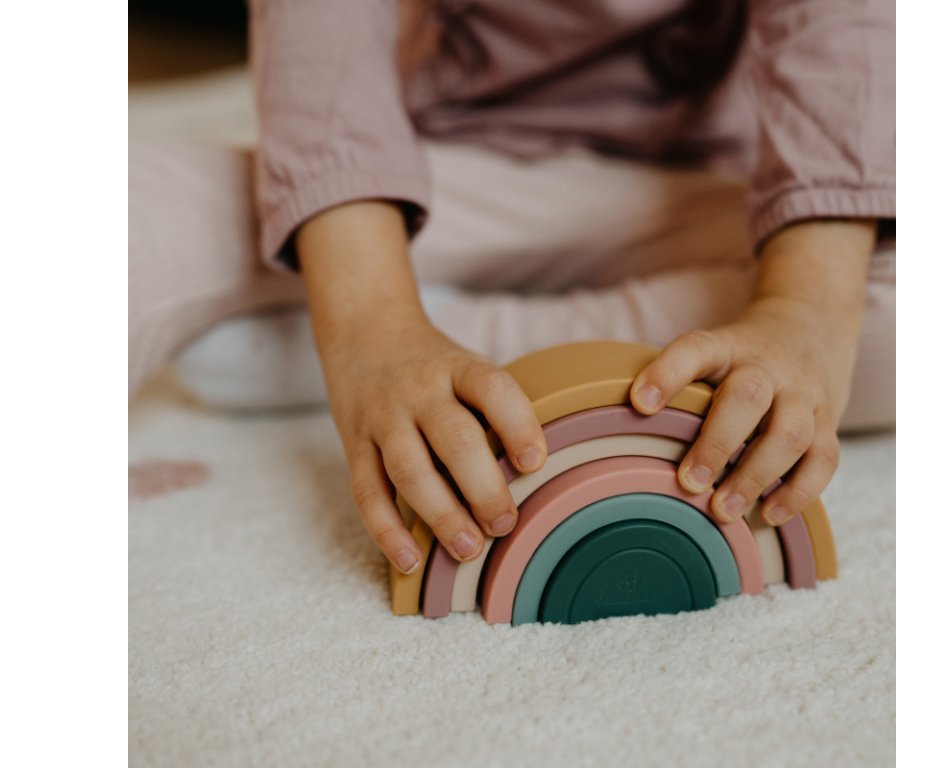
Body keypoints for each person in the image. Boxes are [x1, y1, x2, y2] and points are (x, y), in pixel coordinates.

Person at [128, 0, 895, 578]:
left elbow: (837, 36)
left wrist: (803, 311)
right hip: (442, 175)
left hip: (707, 189)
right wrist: (370, 321)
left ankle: (381, 342)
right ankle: (378, 332)